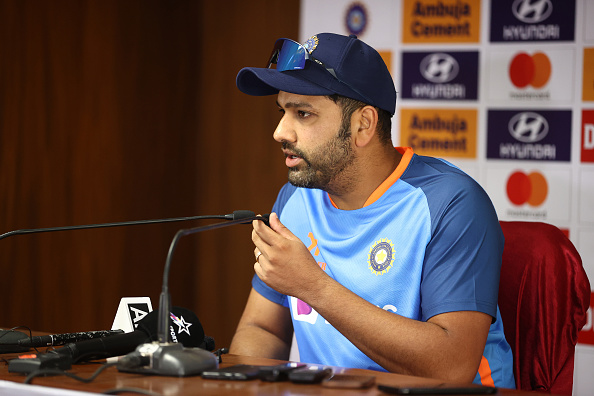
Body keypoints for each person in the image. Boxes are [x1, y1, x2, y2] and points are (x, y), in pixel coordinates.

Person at [229, 32, 515, 388]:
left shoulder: (451, 203)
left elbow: (452, 367)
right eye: (283, 111)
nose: (279, 132)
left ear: (363, 124)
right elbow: (262, 327)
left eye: (303, 113)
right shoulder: (294, 198)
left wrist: (312, 286)